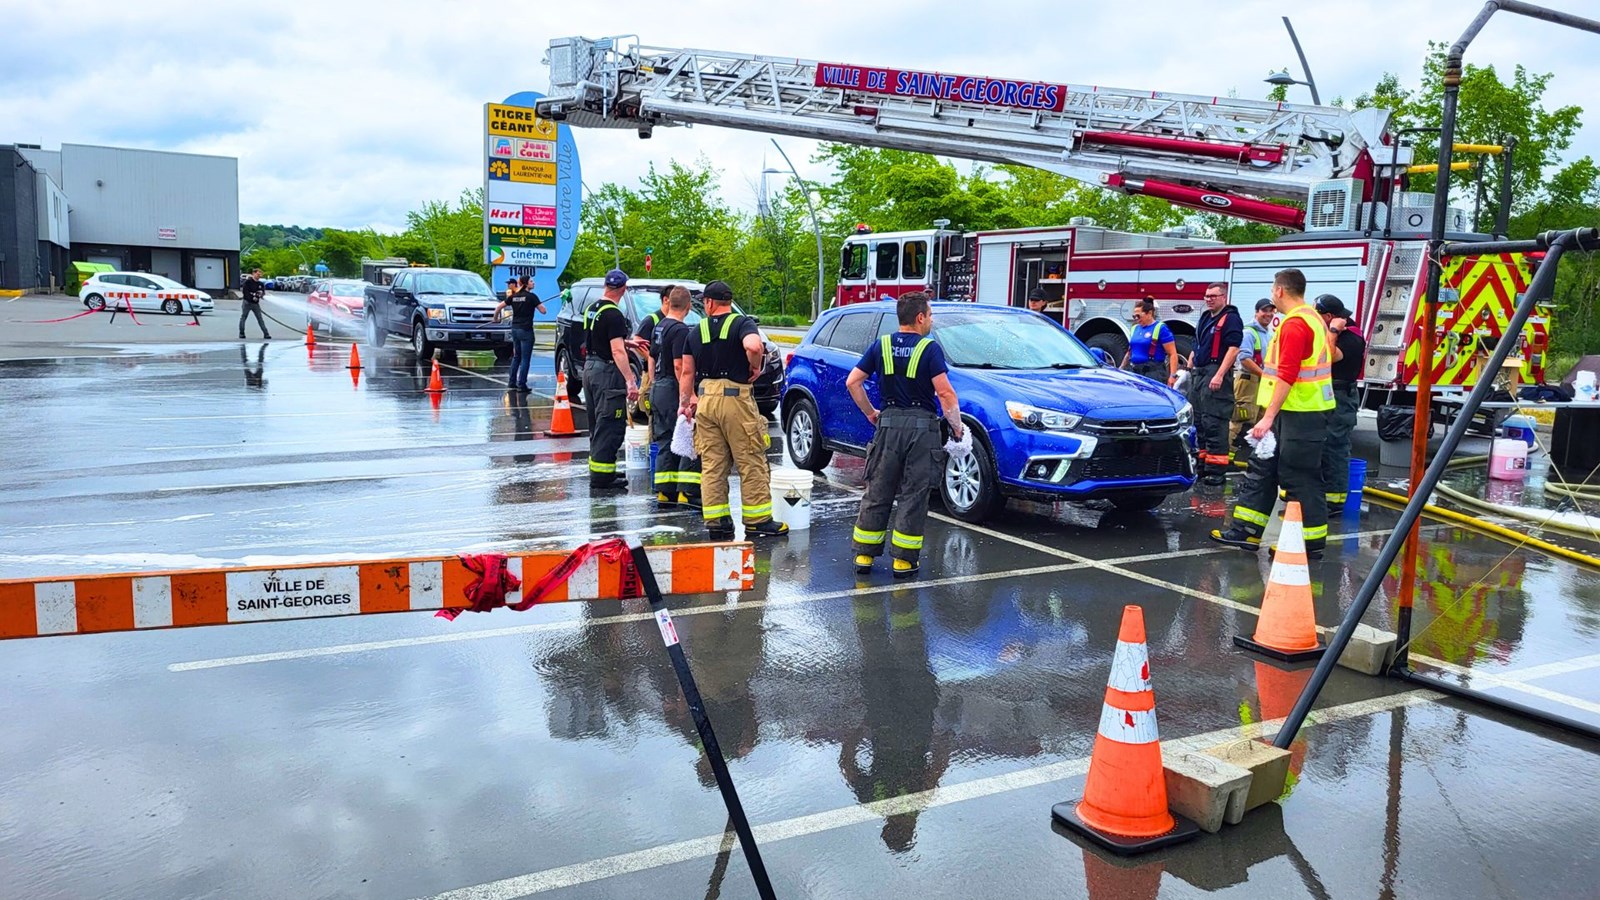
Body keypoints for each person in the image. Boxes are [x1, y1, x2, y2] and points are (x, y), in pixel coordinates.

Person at [1211, 268, 1335, 558]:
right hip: (1291, 412)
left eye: (1272, 290)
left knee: (1300, 476)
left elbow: (1287, 374)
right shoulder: (1311, 318)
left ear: (1280, 290)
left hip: (1301, 413)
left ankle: (1308, 543)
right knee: (1263, 468)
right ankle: (1246, 530)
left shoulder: (1296, 324)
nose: (1272, 295)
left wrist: (1267, 418)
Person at [847, 291, 962, 579]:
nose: (931, 320)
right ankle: (903, 561)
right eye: (930, 315)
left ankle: (864, 556)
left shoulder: (881, 345)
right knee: (914, 495)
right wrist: (957, 427)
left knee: (878, 490)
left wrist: (871, 413)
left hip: (887, 426)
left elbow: (853, 382)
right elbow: (945, 393)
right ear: (920, 317)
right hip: (921, 431)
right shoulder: (929, 349)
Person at [681, 280, 787, 538]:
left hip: (705, 400)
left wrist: (685, 403)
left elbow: (686, 371)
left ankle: (717, 521)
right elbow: (754, 346)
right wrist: (756, 366)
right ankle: (758, 520)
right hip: (735, 399)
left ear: (709, 302)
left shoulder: (695, 331)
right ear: (728, 302)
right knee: (750, 458)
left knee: (712, 464)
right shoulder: (742, 323)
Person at [583, 269, 640, 489]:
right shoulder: (614, 314)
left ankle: (599, 470)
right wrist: (630, 381)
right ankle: (602, 477)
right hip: (606, 373)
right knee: (610, 424)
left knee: (596, 423)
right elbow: (616, 351)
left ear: (605, 286)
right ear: (623, 289)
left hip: (590, 368)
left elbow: (600, 338)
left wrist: (626, 342)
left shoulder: (593, 308)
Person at [648, 286, 701, 508]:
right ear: (689, 306)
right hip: (672, 387)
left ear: (669, 302)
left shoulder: (659, 326)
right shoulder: (680, 330)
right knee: (686, 437)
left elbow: (651, 358)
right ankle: (686, 491)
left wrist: (652, 384)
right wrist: (688, 396)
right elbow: (680, 366)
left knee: (664, 440)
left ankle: (664, 491)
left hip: (658, 387)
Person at [1189, 282, 1243, 484]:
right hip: (1200, 374)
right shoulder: (1205, 317)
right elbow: (1197, 344)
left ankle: (1216, 471)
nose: (1209, 299)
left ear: (1223, 298)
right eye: (1206, 296)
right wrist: (1190, 365)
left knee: (1214, 422)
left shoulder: (1231, 319)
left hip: (1215, 371)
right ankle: (1202, 465)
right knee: (1199, 421)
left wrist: (1219, 375)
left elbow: (1233, 349)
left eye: (1213, 296)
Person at [1316, 294, 1367, 508]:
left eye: (1318, 314)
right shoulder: (1336, 333)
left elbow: (1328, 356)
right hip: (1329, 394)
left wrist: (1333, 331)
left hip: (1341, 397)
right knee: (1322, 445)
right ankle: (1322, 495)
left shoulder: (1350, 339)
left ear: (1329, 316)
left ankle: (1334, 501)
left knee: (1334, 446)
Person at [1231, 299, 1274, 454]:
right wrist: (1265, 375)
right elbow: (1244, 358)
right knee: (1241, 418)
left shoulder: (1267, 334)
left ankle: (1248, 455)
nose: (1268, 314)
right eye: (1264, 311)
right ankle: (1228, 455)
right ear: (1256, 312)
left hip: (1262, 382)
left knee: (1259, 419)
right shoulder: (1249, 332)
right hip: (1248, 380)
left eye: (1271, 311)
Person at [493, 275, 545, 391]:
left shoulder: (514, 296)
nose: (533, 283)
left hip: (515, 329)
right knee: (525, 358)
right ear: (526, 283)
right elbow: (543, 311)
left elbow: (499, 307)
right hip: (526, 330)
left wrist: (495, 318)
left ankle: (512, 382)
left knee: (517, 357)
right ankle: (522, 384)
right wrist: (537, 304)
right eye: (531, 281)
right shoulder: (532, 297)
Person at [1121, 297, 1177, 386]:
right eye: (1134, 316)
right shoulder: (1134, 328)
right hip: (1134, 372)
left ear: (1149, 313)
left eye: (1138, 316)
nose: (1136, 319)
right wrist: (1121, 368)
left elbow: (1172, 354)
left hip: (1153, 373)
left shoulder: (1161, 328)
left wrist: (1172, 376)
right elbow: (1129, 352)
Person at [240, 268, 271, 339]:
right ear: (253, 274)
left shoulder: (260, 284)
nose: (259, 276)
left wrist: (261, 294)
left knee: (260, 318)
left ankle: (266, 334)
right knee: (243, 317)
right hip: (247, 303)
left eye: (260, 274)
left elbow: (263, 292)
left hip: (255, 304)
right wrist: (252, 297)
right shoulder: (248, 282)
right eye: (257, 274)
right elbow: (245, 292)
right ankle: (241, 333)